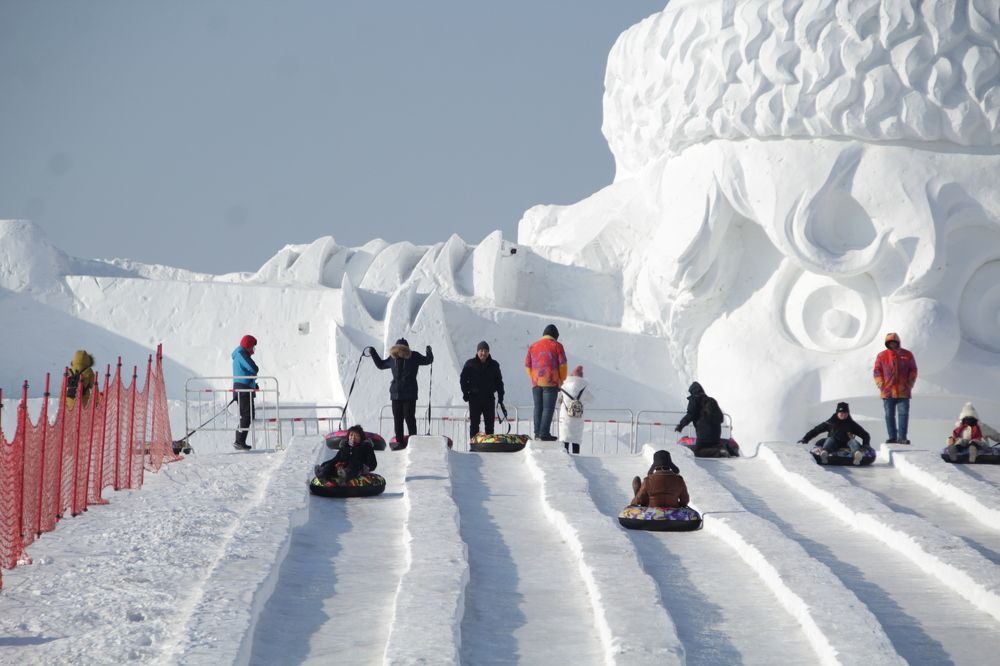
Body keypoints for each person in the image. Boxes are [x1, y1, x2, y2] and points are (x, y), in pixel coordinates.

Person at [369, 338, 433, 445]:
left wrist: (429, 352)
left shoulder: (414, 356)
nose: (400, 352)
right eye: (398, 349)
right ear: (395, 350)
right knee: (398, 419)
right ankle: (399, 442)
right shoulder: (392, 359)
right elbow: (381, 365)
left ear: (407, 350)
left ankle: (413, 442)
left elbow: (427, 360)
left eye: (403, 349)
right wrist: (373, 353)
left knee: (409, 418)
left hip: (410, 394)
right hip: (395, 395)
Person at [525, 324, 567, 441]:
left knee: (538, 407)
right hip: (551, 381)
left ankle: (537, 433)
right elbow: (563, 365)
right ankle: (544, 433)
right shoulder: (557, 346)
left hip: (536, 382)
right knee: (548, 408)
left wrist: (533, 377)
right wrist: (561, 379)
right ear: (555, 336)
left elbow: (527, 365)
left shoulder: (533, 346)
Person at [873, 332, 918, 444]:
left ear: (898, 342)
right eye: (890, 343)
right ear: (887, 343)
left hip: (903, 391)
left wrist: (909, 383)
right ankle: (892, 437)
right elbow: (877, 371)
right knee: (889, 415)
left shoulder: (907, 355)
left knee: (903, 414)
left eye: (894, 342)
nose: (892, 345)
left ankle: (902, 437)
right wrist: (881, 384)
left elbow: (913, 370)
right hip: (887, 391)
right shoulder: (882, 355)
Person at [798, 401, 872, 465]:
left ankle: (857, 455)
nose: (843, 414)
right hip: (834, 444)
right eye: (841, 413)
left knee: (853, 441)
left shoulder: (851, 424)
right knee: (830, 439)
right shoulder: (830, 422)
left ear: (848, 413)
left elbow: (865, 435)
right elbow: (816, 430)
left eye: (845, 413)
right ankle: (825, 454)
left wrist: (866, 445)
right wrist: (805, 439)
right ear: (837, 413)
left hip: (847, 444)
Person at [460, 341, 505, 439]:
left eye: (486, 351)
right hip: (474, 399)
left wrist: (501, 396)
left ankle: (489, 447)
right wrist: (465, 393)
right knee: (474, 425)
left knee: (489, 426)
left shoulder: (494, 365)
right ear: (477, 351)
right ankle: (474, 447)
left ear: (488, 352)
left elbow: (499, 382)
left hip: (489, 399)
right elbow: (463, 379)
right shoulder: (470, 364)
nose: (483, 353)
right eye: (481, 350)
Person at [674, 382, 726, 457]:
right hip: (716, 433)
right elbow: (721, 418)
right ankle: (723, 449)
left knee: (698, 452)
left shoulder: (695, 400)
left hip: (704, 434)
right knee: (712, 445)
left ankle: (719, 452)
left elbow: (690, 415)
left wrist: (680, 426)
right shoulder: (711, 400)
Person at [232, 335, 259, 451]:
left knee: (248, 415)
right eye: (252, 346)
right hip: (243, 389)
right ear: (248, 346)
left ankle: (240, 441)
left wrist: (253, 385)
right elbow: (253, 368)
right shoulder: (241, 354)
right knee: (246, 415)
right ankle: (239, 441)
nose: (253, 350)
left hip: (244, 387)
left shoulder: (240, 353)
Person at [557, 365, 591, 454]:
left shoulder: (564, 387)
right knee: (576, 437)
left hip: (565, 416)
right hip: (578, 417)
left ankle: (566, 455)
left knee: (565, 436)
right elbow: (592, 399)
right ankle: (577, 455)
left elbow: (558, 399)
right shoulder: (584, 389)